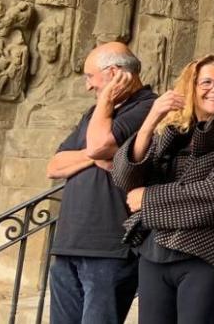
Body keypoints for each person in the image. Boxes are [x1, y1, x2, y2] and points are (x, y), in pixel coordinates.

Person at [111, 54, 214, 324]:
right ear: (190, 88)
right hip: (155, 251)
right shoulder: (171, 130)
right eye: (206, 82)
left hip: (205, 254)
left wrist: (148, 197)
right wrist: (151, 120)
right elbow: (124, 178)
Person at [46, 42, 156, 324]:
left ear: (115, 73)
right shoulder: (93, 114)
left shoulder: (147, 107)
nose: (87, 86)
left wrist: (105, 103)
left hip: (110, 248)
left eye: (89, 77)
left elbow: (99, 145)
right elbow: (54, 166)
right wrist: (94, 156)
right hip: (69, 244)